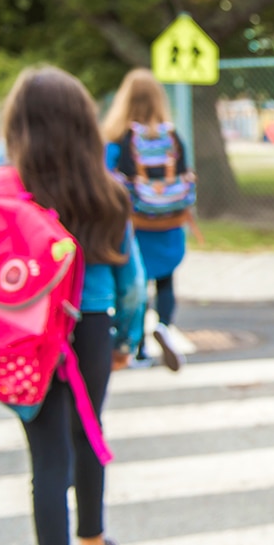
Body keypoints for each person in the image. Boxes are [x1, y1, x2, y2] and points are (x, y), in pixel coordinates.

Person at [0, 65, 146, 545]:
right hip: (89, 326)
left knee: (46, 454)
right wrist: (125, 340)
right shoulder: (108, 191)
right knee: (88, 433)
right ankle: (92, 537)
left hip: (23, 333)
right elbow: (131, 281)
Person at [100, 68, 191, 371]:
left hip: (133, 225)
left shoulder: (116, 140)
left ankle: (136, 347)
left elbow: (104, 179)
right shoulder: (171, 137)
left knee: (134, 285)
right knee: (165, 280)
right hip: (170, 222)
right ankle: (164, 325)